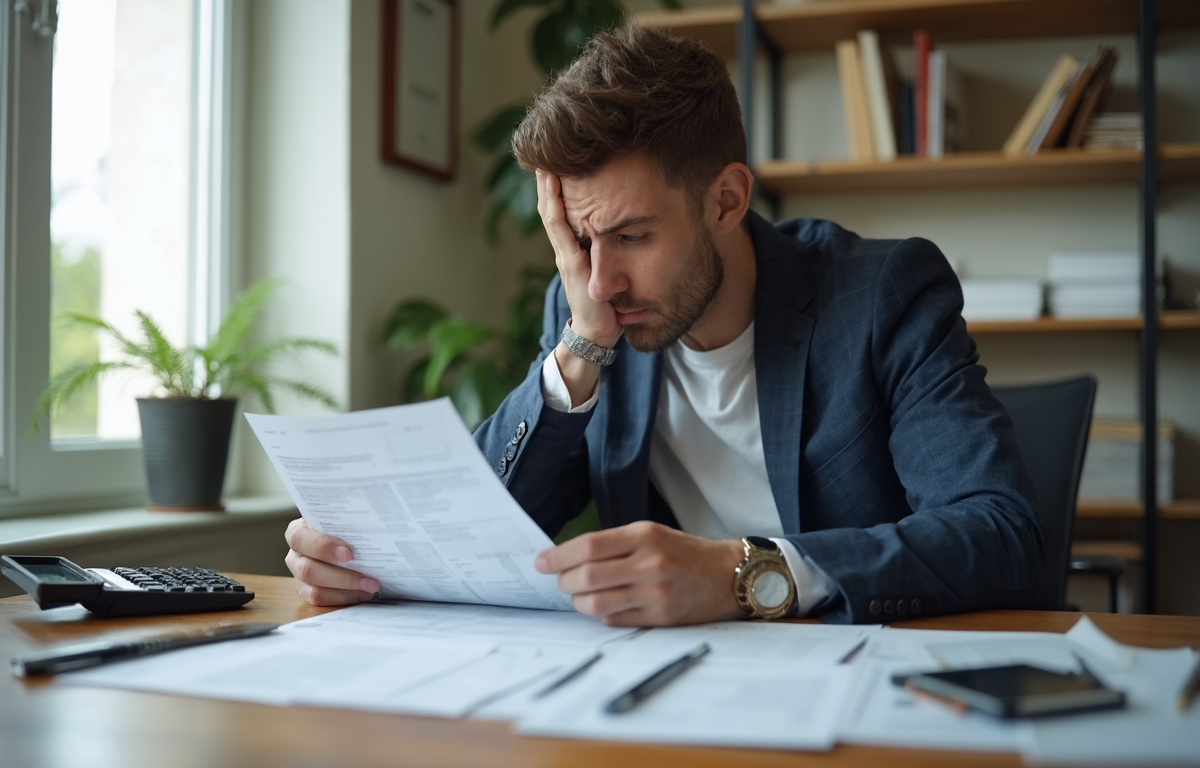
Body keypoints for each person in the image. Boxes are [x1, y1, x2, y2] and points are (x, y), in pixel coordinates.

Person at [284, 25, 1043, 626]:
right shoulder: (589, 307)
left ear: (726, 201)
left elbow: (1000, 533)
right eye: (579, 239)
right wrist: (373, 556)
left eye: (633, 236)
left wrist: (740, 574)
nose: (602, 278)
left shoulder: (881, 294)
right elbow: (485, 526)